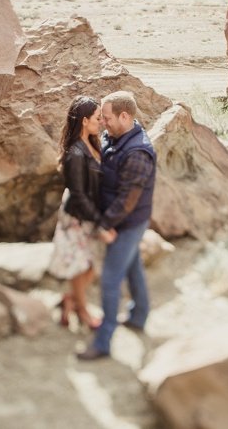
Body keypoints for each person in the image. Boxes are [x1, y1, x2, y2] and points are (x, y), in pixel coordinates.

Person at [78, 90, 157, 361]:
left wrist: (104, 225)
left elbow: (127, 201)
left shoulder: (137, 153)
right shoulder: (116, 136)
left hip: (127, 222)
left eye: (108, 118)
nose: (103, 123)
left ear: (125, 116)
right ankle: (138, 316)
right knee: (133, 267)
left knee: (110, 279)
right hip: (121, 219)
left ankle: (103, 343)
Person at [47, 95, 105, 330]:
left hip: (88, 214)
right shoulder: (75, 154)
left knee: (92, 264)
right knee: (84, 266)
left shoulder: (93, 143)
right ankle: (82, 310)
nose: (100, 122)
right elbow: (79, 195)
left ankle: (70, 300)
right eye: (97, 118)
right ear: (83, 121)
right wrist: (101, 221)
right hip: (77, 218)